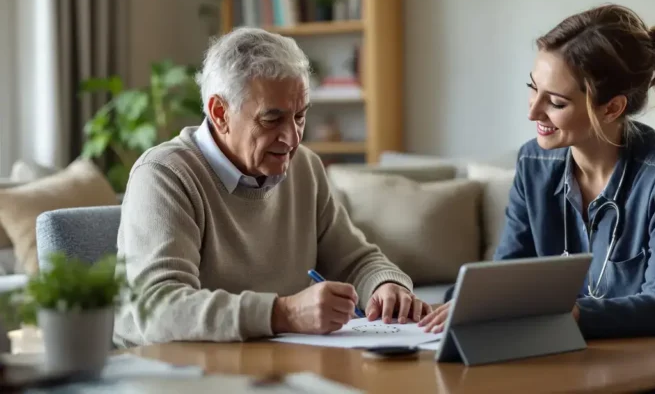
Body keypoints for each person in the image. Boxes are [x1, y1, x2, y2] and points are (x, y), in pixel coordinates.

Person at [419, 4, 655, 392]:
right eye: (533, 88)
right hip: (590, 354)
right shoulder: (533, 163)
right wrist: (465, 305)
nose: (533, 110)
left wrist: (569, 314)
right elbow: (510, 271)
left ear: (612, 107)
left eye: (556, 102)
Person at [113, 27, 431, 348]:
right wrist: (283, 313)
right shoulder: (165, 175)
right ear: (220, 113)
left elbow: (355, 261)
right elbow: (156, 307)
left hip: (272, 364)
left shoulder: (304, 167)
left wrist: (386, 286)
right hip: (174, 371)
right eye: (271, 119)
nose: (292, 138)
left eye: (300, 116)